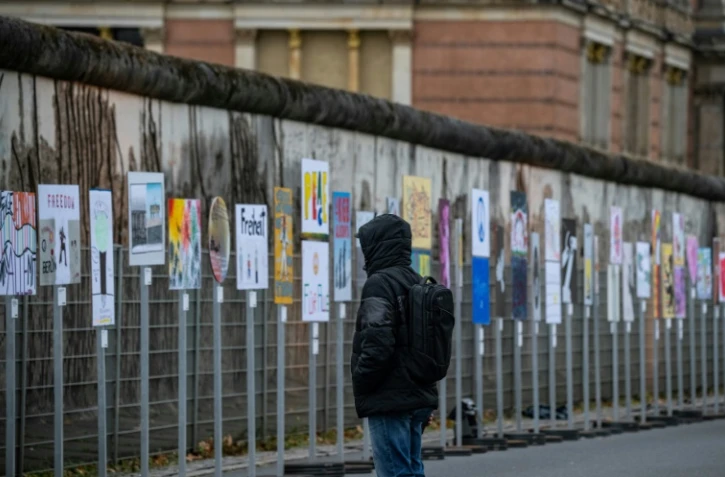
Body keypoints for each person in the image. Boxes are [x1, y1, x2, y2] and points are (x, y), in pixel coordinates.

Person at [351, 214, 438, 477]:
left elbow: (378, 344)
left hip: (389, 398)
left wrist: (362, 384)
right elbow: (428, 346)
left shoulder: (379, 284)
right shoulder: (417, 281)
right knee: (411, 470)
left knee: (394, 473)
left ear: (377, 245)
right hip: (417, 395)